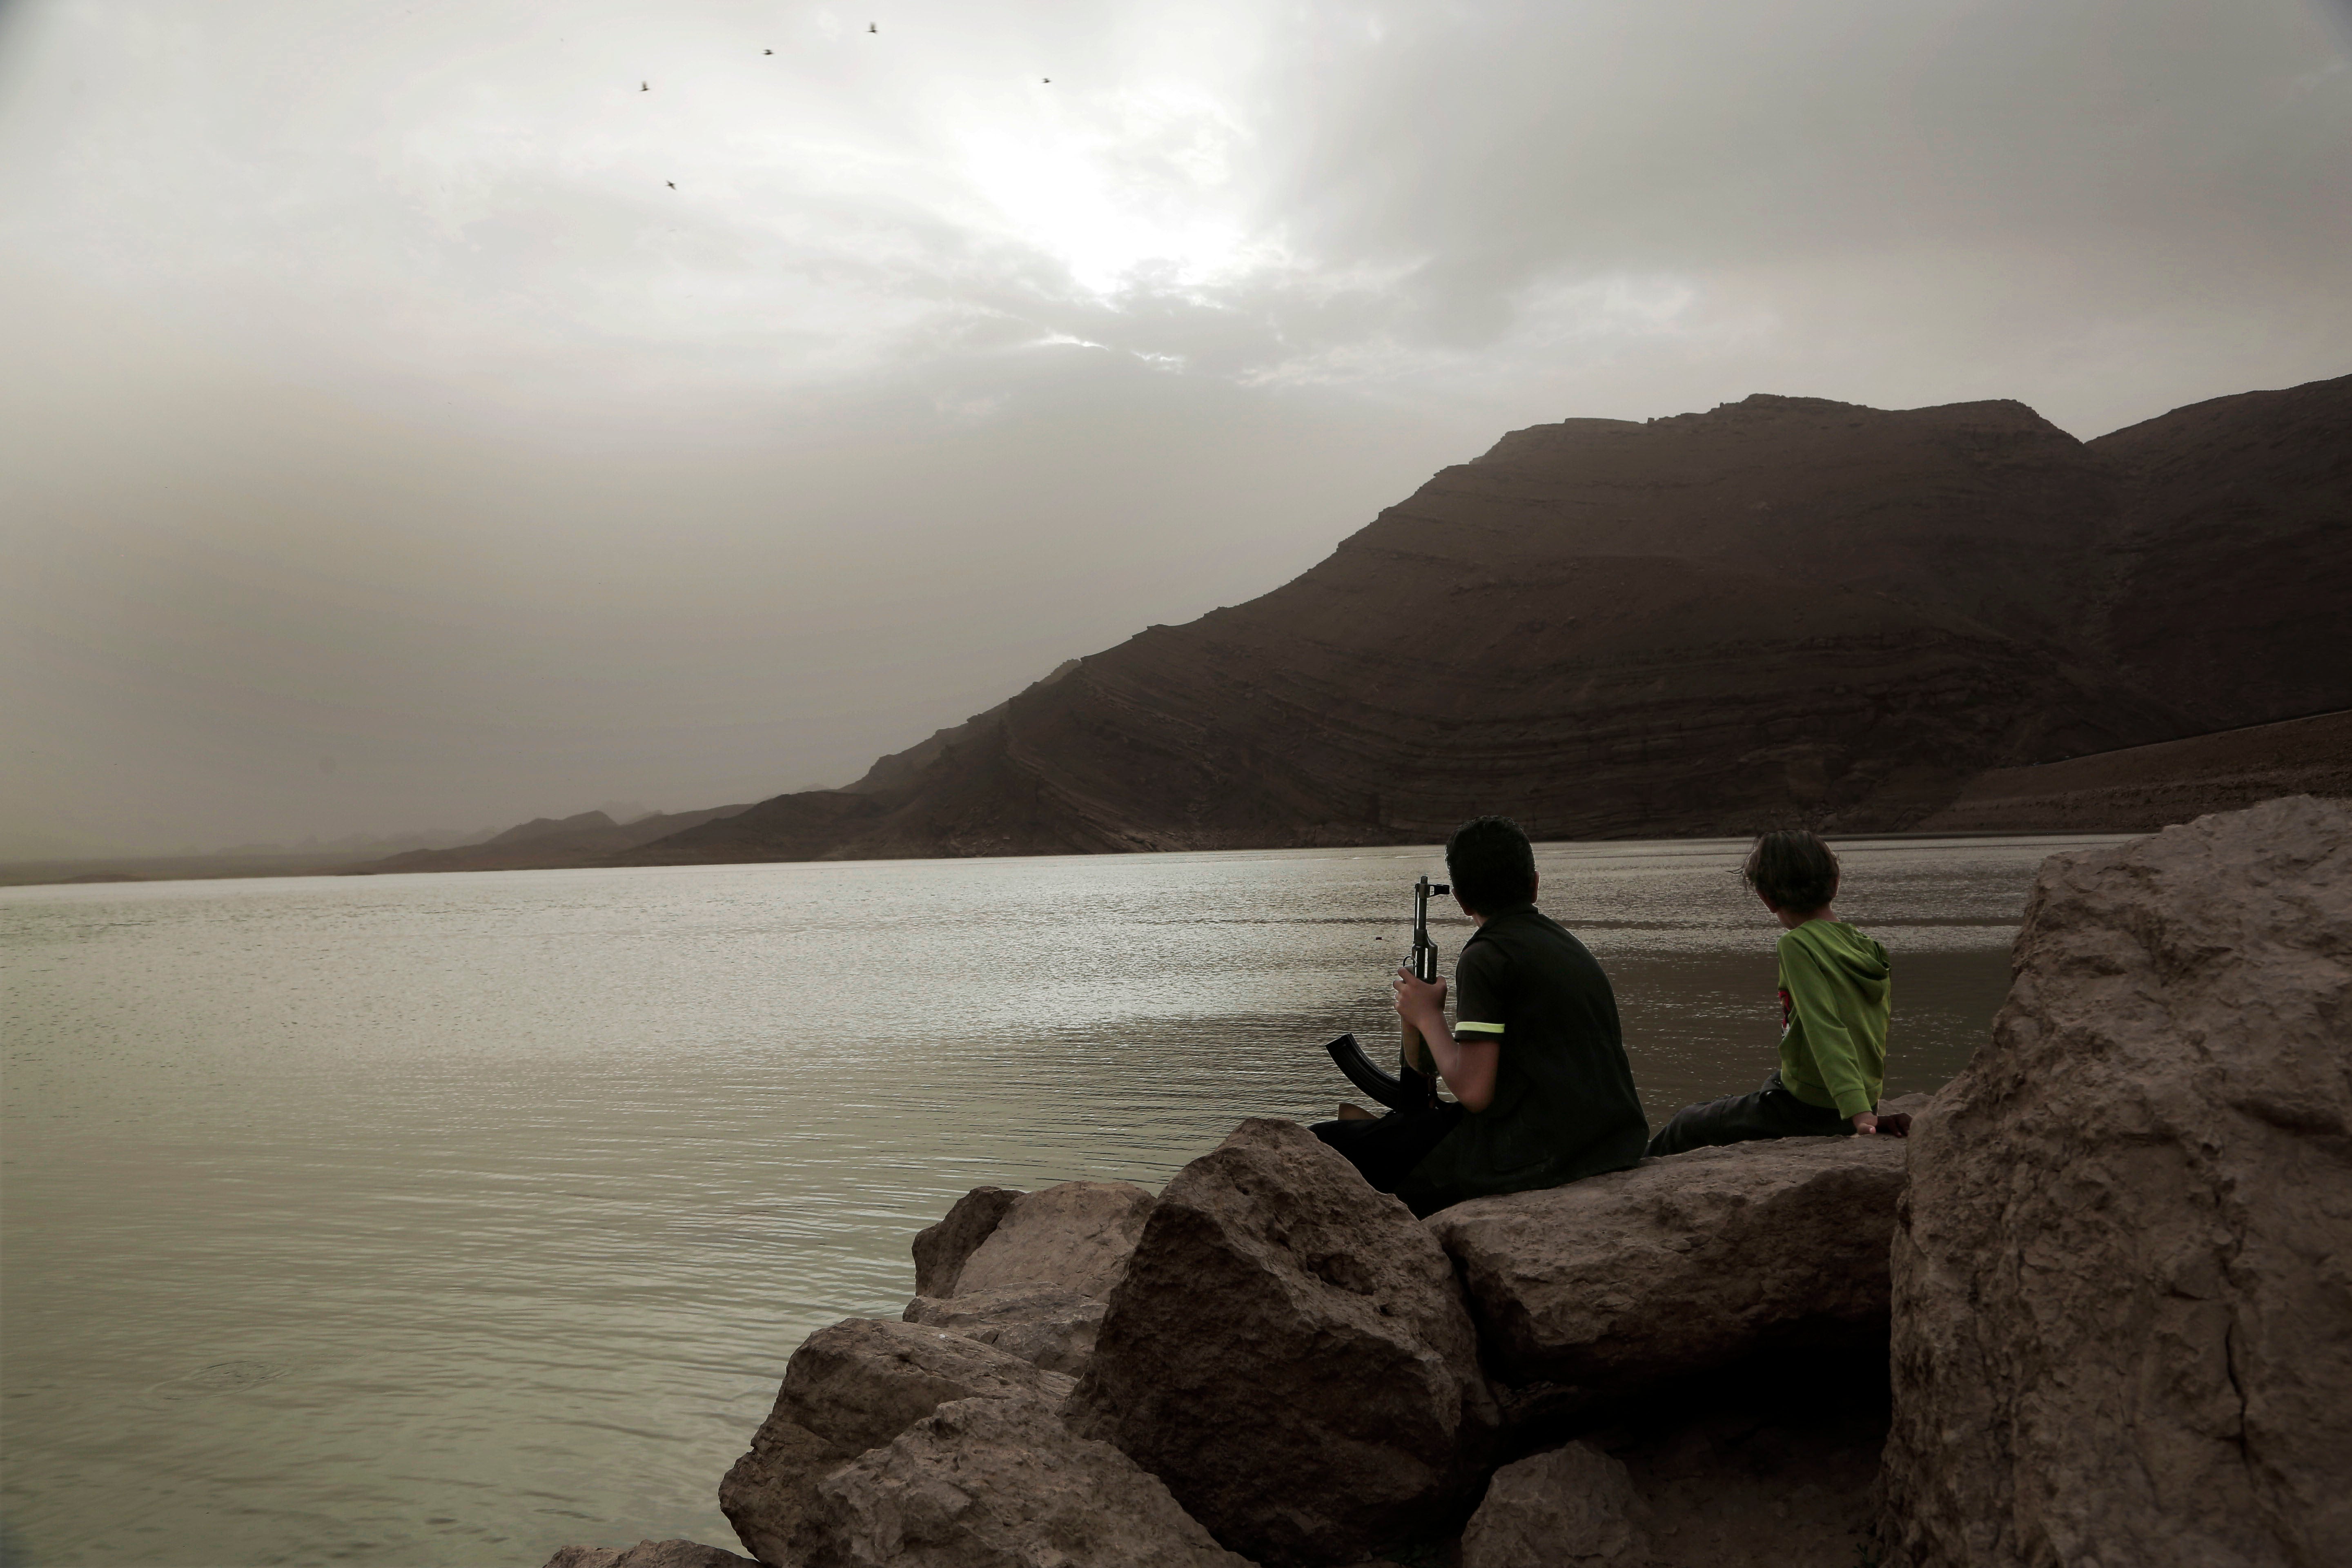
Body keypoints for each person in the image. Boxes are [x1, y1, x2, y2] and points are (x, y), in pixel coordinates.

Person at [1312, 816, 1650, 1216]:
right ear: (1535, 884)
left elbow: (1474, 1092)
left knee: (1322, 1146)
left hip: (1533, 1155)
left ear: (1460, 900)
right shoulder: (1569, 947)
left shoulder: (1486, 957)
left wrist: (1428, 1015)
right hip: (1609, 1143)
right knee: (1386, 1131)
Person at [1646, 829, 1903, 1156]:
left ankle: (1632, 1168)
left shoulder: (1797, 945)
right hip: (1842, 1097)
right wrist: (1866, 1104)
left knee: (1687, 1123)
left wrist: (1860, 1116)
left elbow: (1825, 1028)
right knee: (1741, 1099)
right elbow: (1871, 1029)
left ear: (1766, 898)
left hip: (1813, 1109)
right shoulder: (1866, 946)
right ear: (1836, 883)